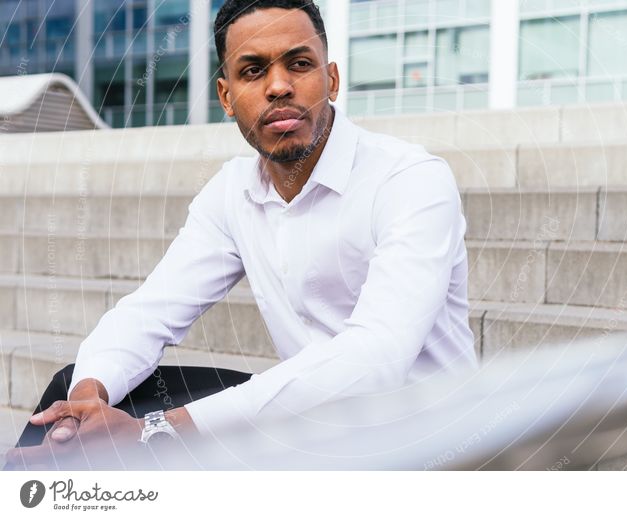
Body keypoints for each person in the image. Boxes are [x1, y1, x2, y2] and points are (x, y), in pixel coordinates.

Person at [4, 0, 476, 470]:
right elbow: (151, 312)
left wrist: (163, 428)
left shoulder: (410, 179)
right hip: (314, 421)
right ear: (226, 97)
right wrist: (89, 400)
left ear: (330, 79)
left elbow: (377, 359)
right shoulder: (233, 192)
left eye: (299, 64)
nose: (279, 86)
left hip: (424, 441)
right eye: (253, 71)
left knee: (160, 436)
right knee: (77, 391)